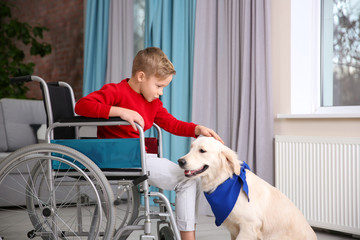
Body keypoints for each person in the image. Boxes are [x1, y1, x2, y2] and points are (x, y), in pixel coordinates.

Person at [75, 47, 223, 240]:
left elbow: (171, 123)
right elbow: (81, 106)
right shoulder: (116, 91)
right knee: (187, 180)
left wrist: (197, 129)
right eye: (159, 86)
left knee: (191, 178)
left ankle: (187, 235)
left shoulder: (152, 102)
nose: (160, 93)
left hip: (139, 157)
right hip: (122, 158)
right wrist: (120, 111)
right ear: (141, 76)